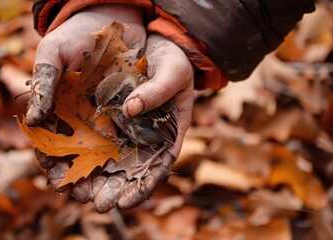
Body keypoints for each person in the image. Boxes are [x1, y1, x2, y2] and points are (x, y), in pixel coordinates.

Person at [26, 0, 315, 212]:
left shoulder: (140, 103)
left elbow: (166, 129)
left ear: (126, 91)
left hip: (156, 134)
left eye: (111, 103)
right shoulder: (119, 100)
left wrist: (161, 147)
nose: (104, 109)